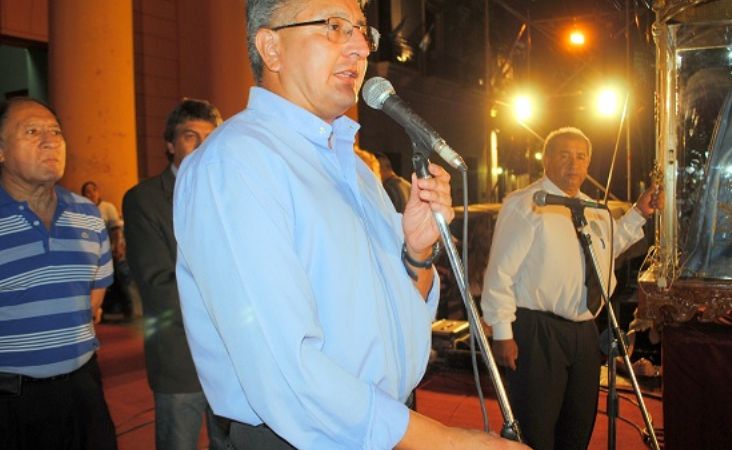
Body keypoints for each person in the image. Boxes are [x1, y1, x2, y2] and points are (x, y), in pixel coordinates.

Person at [172, 1, 528, 449]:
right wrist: (446, 442)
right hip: (297, 436)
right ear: (272, 48)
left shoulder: (355, 168)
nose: (361, 46)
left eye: (362, 30)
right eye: (335, 27)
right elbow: (285, 369)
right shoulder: (238, 163)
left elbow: (396, 308)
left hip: (380, 423)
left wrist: (417, 252)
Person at [481, 127, 661, 450]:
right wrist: (502, 332)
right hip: (538, 331)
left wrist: (638, 214)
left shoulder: (592, 208)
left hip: (584, 333)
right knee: (535, 431)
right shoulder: (527, 204)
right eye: (564, 155)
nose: (573, 164)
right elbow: (500, 272)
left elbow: (604, 251)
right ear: (547, 160)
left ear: (589, 162)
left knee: (577, 427)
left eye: (580, 157)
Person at [0, 97, 117, 449]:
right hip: (11, 401)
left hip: (83, 390)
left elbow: (95, 299)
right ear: (1, 150)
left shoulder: (88, 215)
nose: (50, 141)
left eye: (56, 132)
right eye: (32, 131)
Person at [123, 98, 229, 450]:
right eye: (190, 136)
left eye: (209, 137)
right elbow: (159, 287)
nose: (201, 146)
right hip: (180, 361)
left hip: (233, 360)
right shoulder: (144, 200)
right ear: (170, 144)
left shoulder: (228, 196)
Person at [82, 180, 140, 321]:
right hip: (94, 254)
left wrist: (118, 247)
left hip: (112, 249)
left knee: (125, 280)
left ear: (98, 192)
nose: (90, 194)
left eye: (92, 191)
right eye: (86, 192)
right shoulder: (82, 210)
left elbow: (116, 229)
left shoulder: (107, 208)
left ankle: (134, 312)